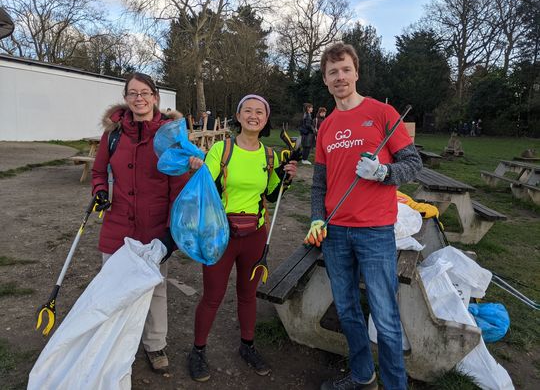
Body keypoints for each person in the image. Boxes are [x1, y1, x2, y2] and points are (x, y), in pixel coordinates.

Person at [305, 43, 422, 390]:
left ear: (356, 72)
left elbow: (413, 164)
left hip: (375, 232)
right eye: (332, 72)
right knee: (347, 311)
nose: (340, 77)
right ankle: (362, 376)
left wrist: (384, 173)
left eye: (345, 70)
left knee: (385, 317)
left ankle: (395, 385)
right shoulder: (326, 126)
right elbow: (318, 185)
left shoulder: (382, 113)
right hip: (335, 232)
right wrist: (316, 218)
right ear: (325, 81)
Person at [187, 94, 297, 382]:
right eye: (247, 110)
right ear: (238, 117)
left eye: (259, 111)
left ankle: (247, 346)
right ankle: (198, 351)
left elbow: (272, 195)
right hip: (221, 235)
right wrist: (197, 169)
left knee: (248, 295)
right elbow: (206, 186)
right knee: (213, 295)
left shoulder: (270, 156)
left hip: (255, 235)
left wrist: (286, 178)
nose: (253, 115)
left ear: (265, 119)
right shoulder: (221, 150)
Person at [91, 72, 189, 374]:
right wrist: (101, 192)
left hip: (155, 226)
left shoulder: (170, 136)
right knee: (114, 286)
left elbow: (179, 185)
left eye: (145, 92)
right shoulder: (114, 133)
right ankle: (118, 342)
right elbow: (98, 172)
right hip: (118, 223)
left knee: (155, 288)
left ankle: (155, 343)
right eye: (133, 93)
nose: (139, 98)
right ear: (126, 98)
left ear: (156, 97)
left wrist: (172, 231)